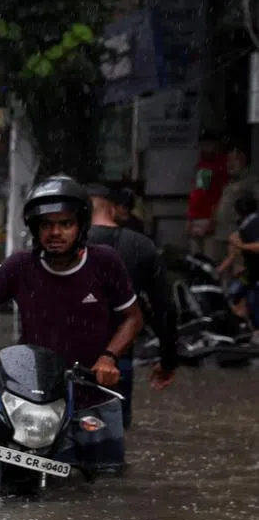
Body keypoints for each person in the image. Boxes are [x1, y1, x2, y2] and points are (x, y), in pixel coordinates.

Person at [0, 175, 144, 472]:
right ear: (35, 229)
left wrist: (109, 358)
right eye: (46, 225)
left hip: (93, 396)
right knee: (18, 478)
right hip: (34, 401)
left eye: (65, 224)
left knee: (107, 484)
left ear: (80, 226)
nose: (55, 232)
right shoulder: (20, 265)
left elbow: (133, 319)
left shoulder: (106, 263)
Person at [86, 183, 178, 427]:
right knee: (114, 438)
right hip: (118, 358)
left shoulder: (61, 245)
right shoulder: (141, 246)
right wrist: (168, 360)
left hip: (67, 358)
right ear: (114, 211)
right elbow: (165, 308)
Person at [216, 191, 259, 329]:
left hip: (255, 273)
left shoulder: (254, 224)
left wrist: (240, 245)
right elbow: (232, 254)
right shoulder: (243, 226)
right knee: (235, 295)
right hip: (250, 273)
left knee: (253, 300)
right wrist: (218, 270)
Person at [213, 145, 259, 264]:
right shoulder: (229, 183)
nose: (230, 164)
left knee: (237, 267)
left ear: (243, 159)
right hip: (221, 233)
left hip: (237, 233)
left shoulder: (250, 181)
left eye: (234, 160)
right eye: (228, 160)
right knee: (221, 267)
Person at [187, 133, 229, 259]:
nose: (205, 148)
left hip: (211, 217)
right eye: (203, 145)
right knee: (196, 259)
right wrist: (189, 218)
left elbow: (223, 194)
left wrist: (213, 219)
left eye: (208, 145)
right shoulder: (201, 164)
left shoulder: (223, 164)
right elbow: (195, 192)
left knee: (211, 259)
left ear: (217, 146)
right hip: (196, 217)